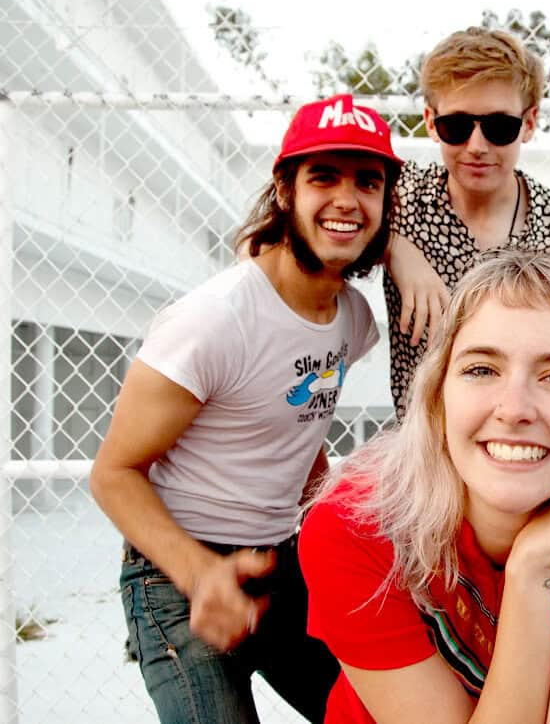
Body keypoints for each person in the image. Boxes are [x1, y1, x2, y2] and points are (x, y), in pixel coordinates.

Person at [89, 93, 401, 724]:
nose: (347, 199)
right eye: (323, 177)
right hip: (177, 571)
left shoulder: (354, 318)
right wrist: (201, 574)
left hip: (281, 561)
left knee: (373, 712)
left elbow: (294, 421)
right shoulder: (213, 319)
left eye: (367, 182)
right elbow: (113, 474)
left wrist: (328, 521)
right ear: (284, 190)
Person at [299, 252, 550, 724]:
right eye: (481, 369)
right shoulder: (356, 526)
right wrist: (533, 566)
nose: (513, 408)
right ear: (438, 395)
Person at [384, 26, 550, 419]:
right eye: (455, 126)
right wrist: (393, 247)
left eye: (498, 127)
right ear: (429, 121)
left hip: (520, 437)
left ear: (530, 123)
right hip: (425, 443)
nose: (477, 146)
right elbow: (285, 230)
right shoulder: (398, 201)